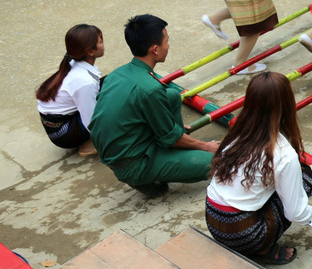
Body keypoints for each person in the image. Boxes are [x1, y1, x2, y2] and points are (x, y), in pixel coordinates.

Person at [205, 71, 312, 265]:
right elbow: (295, 213)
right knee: (306, 182)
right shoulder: (284, 153)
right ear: (287, 105)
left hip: (213, 221)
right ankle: (263, 248)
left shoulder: (237, 133)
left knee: (282, 181)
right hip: (244, 235)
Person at [90, 15, 220, 197]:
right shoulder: (150, 89)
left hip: (119, 149)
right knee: (218, 161)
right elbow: (170, 136)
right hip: (134, 163)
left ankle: (171, 152)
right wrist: (206, 146)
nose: (168, 46)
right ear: (155, 49)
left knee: (172, 95)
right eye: (167, 41)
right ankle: (145, 178)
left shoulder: (117, 74)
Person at [36, 24, 103, 155]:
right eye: (100, 41)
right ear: (90, 51)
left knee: (114, 83)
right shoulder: (84, 82)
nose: (103, 45)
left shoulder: (74, 64)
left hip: (59, 123)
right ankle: (91, 145)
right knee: (116, 100)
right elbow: (92, 121)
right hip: (63, 133)